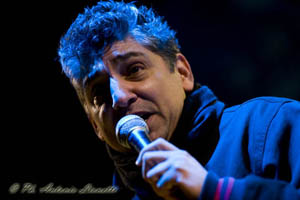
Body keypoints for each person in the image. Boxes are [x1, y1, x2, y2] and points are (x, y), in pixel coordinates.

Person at [57, 1, 300, 199]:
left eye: (134, 70)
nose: (119, 97)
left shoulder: (274, 126)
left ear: (182, 73)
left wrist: (215, 192)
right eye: (99, 93)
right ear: (94, 125)